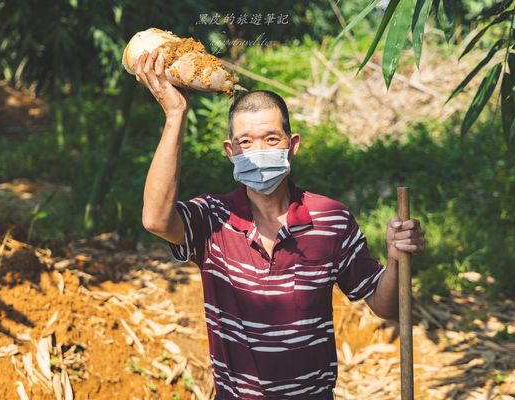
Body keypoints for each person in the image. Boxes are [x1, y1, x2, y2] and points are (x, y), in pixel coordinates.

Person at [135, 48, 426, 400]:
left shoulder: (331, 219)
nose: (258, 151)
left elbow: (387, 306)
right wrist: (175, 113)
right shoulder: (212, 219)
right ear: (231, 152)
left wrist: (396, 257)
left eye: (271, 139)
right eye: (246, 142)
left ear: (292, 145)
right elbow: (155, 218)